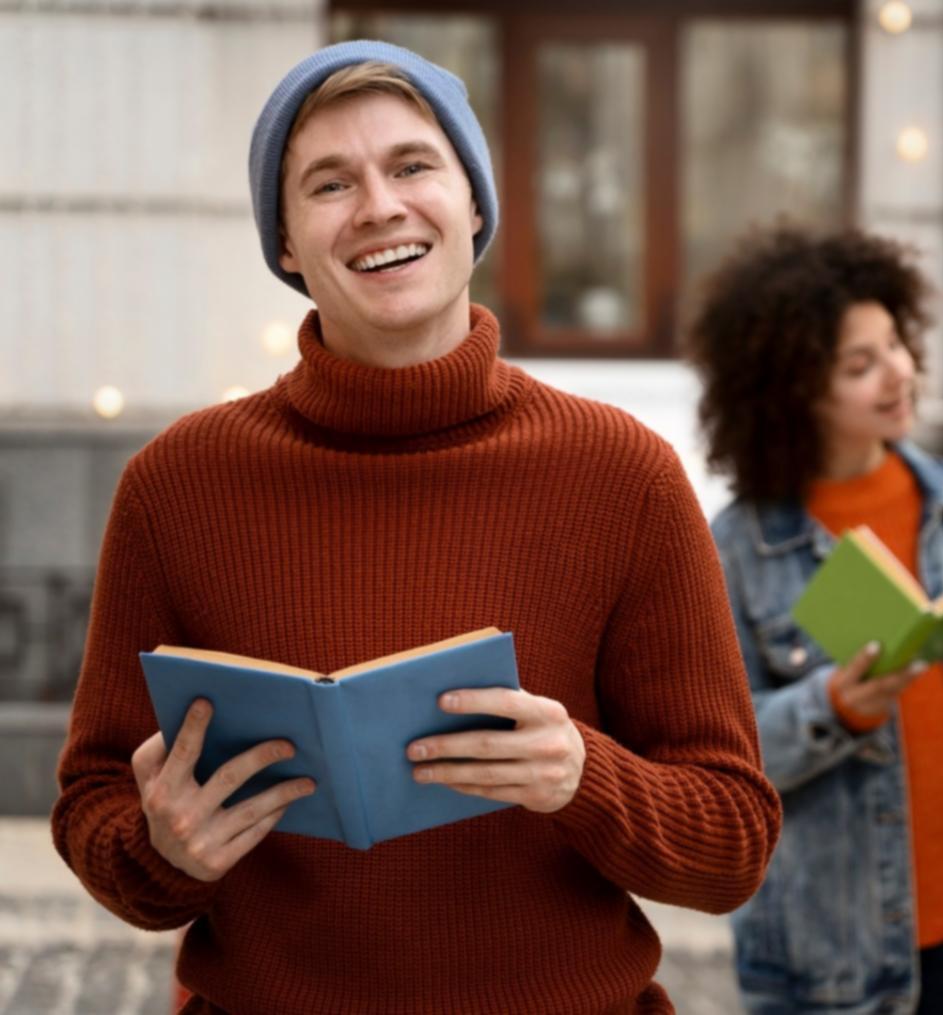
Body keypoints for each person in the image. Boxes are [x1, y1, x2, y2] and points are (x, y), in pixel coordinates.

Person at [51, 40, 780, 1014]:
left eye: (411, 165)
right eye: (327, 183)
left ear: (472, 205)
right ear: (282, 245)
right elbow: (92, 802)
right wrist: (160, 850)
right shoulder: (176, 485)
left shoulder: (623, 474)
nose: (379, 206)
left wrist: (582, 777)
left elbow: (732, 842)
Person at [686, 226, 943, 1014]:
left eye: (894, 345)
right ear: (792, 393)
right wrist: (835, 708)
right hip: (824, 953)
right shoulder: (738, 549)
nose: (898, 374)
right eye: (860, 365)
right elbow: (714, 756)